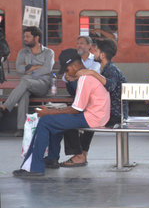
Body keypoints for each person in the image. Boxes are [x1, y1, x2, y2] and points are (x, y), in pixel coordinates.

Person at [12, 48, 110, 177]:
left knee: (46, 121)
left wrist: (49, 112)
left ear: (75, 65)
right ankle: (52, 158)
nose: (66, 73)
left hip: (93, 117)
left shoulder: (84, 78)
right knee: (55, 121)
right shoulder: (86, 76)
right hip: (97, 115)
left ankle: (34, 167)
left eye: (67, 69)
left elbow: (76, 109)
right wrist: (55, 112)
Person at [61, 39, 128, 167]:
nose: (94, 52)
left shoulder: (111, 70)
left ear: (102, 55)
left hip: (114, 115)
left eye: (96, 51)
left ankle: (79, 155)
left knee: (71, 119)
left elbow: (111, 86)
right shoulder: (107, 69)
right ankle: (82, 154)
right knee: (84, 117)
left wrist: (91, 72)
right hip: (109, 112)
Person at [0, 27, 54, 137]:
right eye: (25, 36)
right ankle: (22, 128)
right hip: (27, 85)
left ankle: (5, 107)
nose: (25, 39)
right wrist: (37, 67)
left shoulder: (48, 52)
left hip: (42, 85)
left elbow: (47, 69)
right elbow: (19, 69)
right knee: (23, 94)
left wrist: (29, 70)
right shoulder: (23, 52)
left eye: (28, 37)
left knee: (25, 80)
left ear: (36, 38)